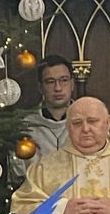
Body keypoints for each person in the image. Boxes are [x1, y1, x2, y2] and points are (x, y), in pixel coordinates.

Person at [12, 54, 74, 182]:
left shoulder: (89, 122)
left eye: (64, 80)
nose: (58, 88)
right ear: (40, 87)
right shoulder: (26, 127)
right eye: (50, 82)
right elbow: (18, 176)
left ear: (72, 84)